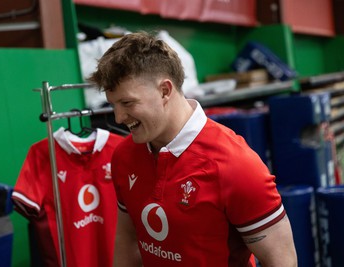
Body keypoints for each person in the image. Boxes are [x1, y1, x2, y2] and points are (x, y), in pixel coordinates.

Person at [88, 31, 297, 267]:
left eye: (127, 103)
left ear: (165, 90)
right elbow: (128, 239)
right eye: (113, 104)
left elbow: (282, 260)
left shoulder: (236, 164)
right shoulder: (124, 156)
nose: (118, 117)